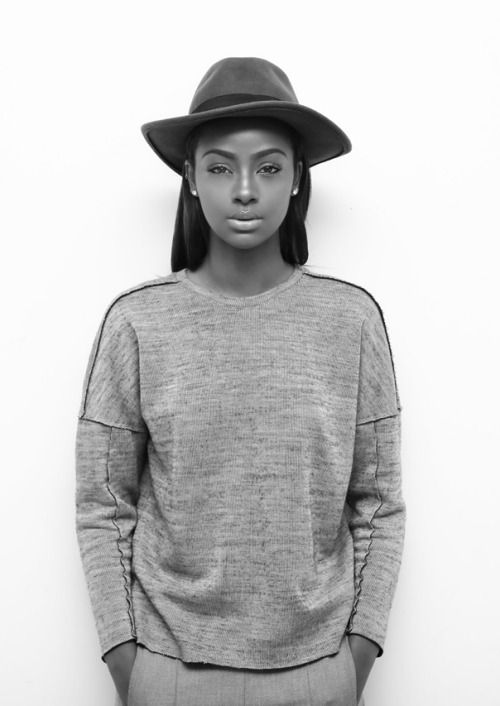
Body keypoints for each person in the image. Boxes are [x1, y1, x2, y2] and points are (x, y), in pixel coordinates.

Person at [75, 57, 406, 706]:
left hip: (319, 671)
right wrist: (127, 664)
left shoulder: (351, 320)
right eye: (221, 167)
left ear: (298, 177)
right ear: (191, 178)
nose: (246, 190)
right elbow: (102, 505)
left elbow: (379, 502)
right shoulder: (137, 322)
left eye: (270, 167)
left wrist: (357, 657)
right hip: (171, 672)